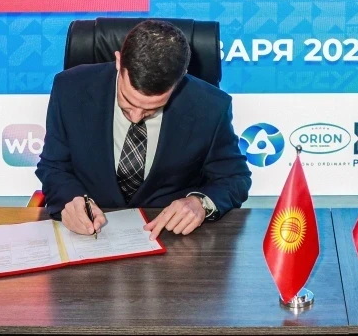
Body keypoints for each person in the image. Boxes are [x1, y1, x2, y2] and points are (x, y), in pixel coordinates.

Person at [36, 20, 251, 239]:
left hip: (170, 238)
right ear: (119, 61)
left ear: (180, 79)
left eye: (151, 109)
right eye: (128, 103)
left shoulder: (210, 107)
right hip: (90, 235)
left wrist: (200, 203)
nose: (136, 117)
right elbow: (54, 167)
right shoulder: (70, 88)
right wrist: (70, 201)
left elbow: (235, 178)